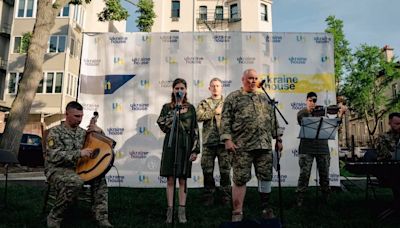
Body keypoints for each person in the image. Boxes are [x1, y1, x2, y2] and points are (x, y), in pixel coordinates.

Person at [220, 69, 283, 222]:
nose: (253, 81)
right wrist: (227, 140)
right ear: (243, 79)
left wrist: (279, 138)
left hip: (264, 145)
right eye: (249, 78)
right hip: (242, 146)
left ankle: (265, 208)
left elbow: (273, 119)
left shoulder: (265, 98)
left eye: (255, 78)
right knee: (240, 179)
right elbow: (225, 120)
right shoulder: (234, 97)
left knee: (266, 176)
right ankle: (237, 211)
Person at [45, 101, 113, 228]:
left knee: (100, 179)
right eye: (76, 116)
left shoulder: (83, 133)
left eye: (81, 116)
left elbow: (107, 145)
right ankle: (55, 217)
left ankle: (101, 217)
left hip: (80, 168)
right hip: (57, 169)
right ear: (67, 114)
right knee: (75, 182)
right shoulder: (55, 132)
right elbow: (53, 156)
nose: (80, 119)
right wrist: (79, 153)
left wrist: (100, 131)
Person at [157, 78, 200, 224]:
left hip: (185, 145)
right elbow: (161, 123)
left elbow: (195, 129)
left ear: (186, 90)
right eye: (177, 88)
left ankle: (182, 211)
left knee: (182, 179)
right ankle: (169, 211)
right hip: (171, 144)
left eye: (182, 88)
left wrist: (195, 150)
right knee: (170, 178)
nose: (179, 91)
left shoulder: (191, 108)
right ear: (173, 90)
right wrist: (174, 113)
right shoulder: (167, 107)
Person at [295, 92, 346, 207]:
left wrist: (340, 113)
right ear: (306, 101)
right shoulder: (302, 112)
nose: (313, 103)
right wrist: (310, 110)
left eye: (314, 101)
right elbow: (301, 120)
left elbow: (335, 125)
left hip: (322, 148)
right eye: (310, 100)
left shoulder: (324, 113)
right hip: (306, 148)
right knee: (304, 175)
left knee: (325, 175)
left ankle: (326, 198)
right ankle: (300, 199)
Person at [197, 77, 232, 206]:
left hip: (224, 143)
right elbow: (198, 116)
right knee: (207, 171)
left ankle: (226, 196)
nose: (215, 88)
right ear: (209, 88)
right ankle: (208, 196)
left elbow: (233, 119)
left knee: (225, 171)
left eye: (218, 85)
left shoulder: (227, 103)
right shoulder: (204, 103)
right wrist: (213, 112)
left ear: (221, 87)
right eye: (213, 86)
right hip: (209, 143)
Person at [375, 112, 400, 209]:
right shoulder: (383, 137)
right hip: (389, 170)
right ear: (390, 123)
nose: (399, 126)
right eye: (397, 124)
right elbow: (383, 155)